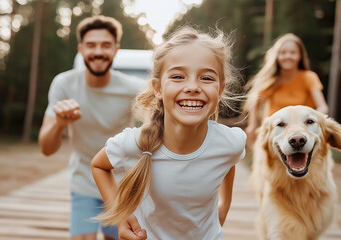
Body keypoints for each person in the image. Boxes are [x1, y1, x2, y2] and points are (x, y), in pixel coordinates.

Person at [91, 26, 247, 240]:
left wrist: (224, 205)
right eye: (178, 77)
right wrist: (121, 216)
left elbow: (229, 161)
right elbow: (99, 165)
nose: (192, 87)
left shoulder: (232, 141)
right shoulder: (137, 142)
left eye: (207, 78)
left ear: (220, 91)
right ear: (158, 88)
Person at [38, 15, 145, 240]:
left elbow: (154, 126)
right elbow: (46, 148)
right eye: (91, 45)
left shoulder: (133, 88)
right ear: (81, 49)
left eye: (105, 45)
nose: (98, 51)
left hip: (121, 184)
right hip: (83, 180)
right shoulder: (64, 84)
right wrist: (60, 122)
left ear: (116, 50)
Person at [243, 33, 328, 141]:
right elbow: (255, 101)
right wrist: (252, 125)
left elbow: (323, 107)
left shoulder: (308, 77)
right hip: (274, 134)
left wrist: (310, 123)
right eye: (283, 53)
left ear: (300, 56)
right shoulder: (271, 80)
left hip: (300, 133)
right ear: (277, 56)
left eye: (293, 53)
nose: (288, 56)